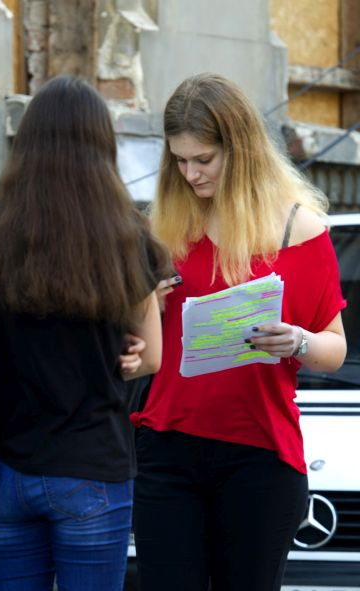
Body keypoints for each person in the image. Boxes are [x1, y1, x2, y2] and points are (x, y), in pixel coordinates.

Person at [131, 73, 347, 591]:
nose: (190, 174)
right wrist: (143, 307)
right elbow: (136, 351)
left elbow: (334, 347)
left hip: (260, 452)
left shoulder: (300, 226)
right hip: (166, 446)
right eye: (179, 161)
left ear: (241, 149)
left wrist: (295, 340)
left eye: (203, 159)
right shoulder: (164, 226)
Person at [0, 75, 166, 591]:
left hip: (5, 466)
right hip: (92, 466)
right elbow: (152, 357)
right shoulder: (127, 234)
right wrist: (126, 350)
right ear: (102, 146)